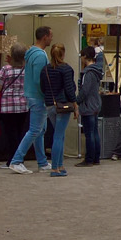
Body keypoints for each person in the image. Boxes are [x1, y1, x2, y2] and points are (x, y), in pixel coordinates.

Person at [8, 27, 54, 173]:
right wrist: (48, 95)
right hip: (38, 96)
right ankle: (16, 160)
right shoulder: (40, 56)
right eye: (50, 36)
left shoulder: (31, 53)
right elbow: (39, 79)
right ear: (45, 37)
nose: (51, 38)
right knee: (35, 130)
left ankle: (42, 162)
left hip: (31, 95)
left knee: (40, 130)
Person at [41, 43, 77, 177]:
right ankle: (55, 167)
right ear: (63, 54)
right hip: (63, 105)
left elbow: (43, 87)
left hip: (50, 104)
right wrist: (75, 104)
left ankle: (60, 165)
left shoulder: (45, 69)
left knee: (58, 135)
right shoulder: (66, 69)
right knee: (59, 136)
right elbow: (69, 88)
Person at [0, 50, 29, 168]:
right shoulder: (26, 69)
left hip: (7, 106)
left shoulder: (5, 69)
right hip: (23, 105)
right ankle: (19, 158)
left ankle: (13, 160)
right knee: (19, 132)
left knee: (10, 134)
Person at [74, 46, 103, 167]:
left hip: (88, 105)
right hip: (96, 103)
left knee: (89, 133)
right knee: (95, 132)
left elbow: (84, 90)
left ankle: (89, 159)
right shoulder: (96, 71)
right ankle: (96, 157)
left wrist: (77, 101)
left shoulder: (87, 72)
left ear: (85, 57)